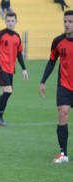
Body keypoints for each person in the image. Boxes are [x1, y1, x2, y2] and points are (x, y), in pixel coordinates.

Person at [0, 12, 29, 126]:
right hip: (0, 67)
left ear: (16, 22)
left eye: (12, 21)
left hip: (10, 69)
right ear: (5, 21)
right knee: (8, 91)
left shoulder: (17, 37)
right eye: (8, 21)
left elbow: (19, 54)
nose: (10, 23)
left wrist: (24, 69)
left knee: (4, 92)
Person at [39, 10, 73, 164]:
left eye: (70, 22)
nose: (67, 24)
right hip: (64, 85)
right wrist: (43, 81)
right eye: (65, 21)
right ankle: (63, 154)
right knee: (63, 112)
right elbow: (52, 61)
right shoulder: (58, 42)